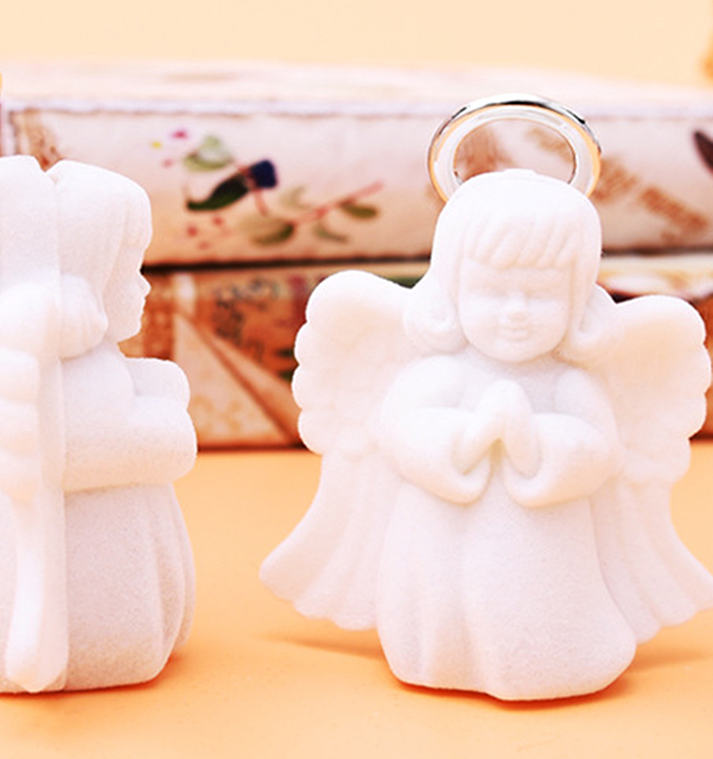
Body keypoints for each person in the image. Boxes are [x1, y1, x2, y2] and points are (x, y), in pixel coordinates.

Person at [261, 169, 713, 700]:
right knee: (442, 607)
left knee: (529, 608)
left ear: (575, 299)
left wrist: (530, 439)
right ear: (454, 288)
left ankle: (548, 659)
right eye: (492, 292)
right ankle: (437, 654)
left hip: (542, 543)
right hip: (438, 537)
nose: (515, 313)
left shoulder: (570, 382)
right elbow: (403, 435)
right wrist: (474, 434)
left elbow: (597, 452)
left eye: (541, 295)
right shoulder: (438, 372)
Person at [0, 156, 196, 693]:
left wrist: (152, 386)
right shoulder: (63, 372)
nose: (144, 288)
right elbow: (113, 444)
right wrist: (171, 414)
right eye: (130, 269)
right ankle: (101, 653)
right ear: (86, 270)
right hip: (92, 582)